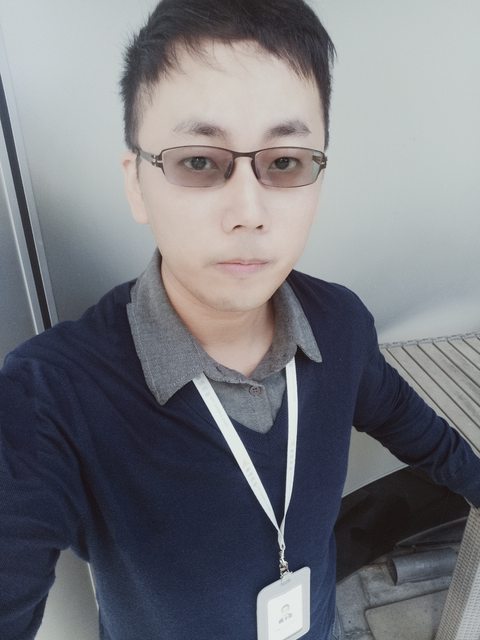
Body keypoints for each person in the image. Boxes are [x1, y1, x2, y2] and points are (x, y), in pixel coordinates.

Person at [1, 1, 479, 639]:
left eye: (284, 162)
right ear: (137, 183)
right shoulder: (47, 396)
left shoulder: (340, 325)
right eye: (199, 161)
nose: (249, 211)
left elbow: (418, 431)